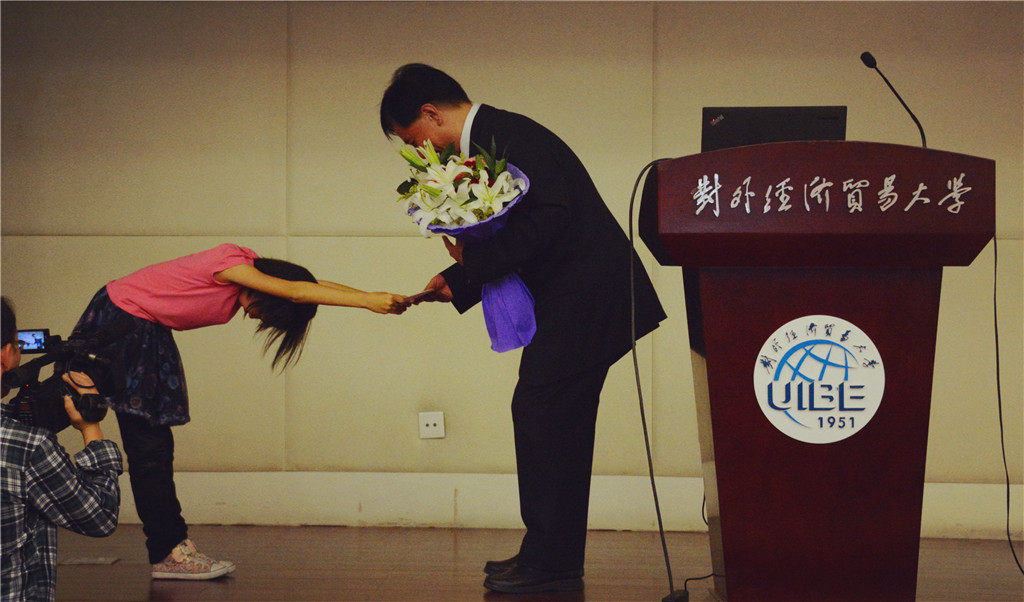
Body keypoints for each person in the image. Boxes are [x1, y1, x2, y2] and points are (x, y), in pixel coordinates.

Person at [380, 64, 666, 594]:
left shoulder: (506, 135)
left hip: (588, 301)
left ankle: (549, 560)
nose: (421, 153)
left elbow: (550, 218)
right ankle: (549, 556)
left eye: (414, 140)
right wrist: (458, 281)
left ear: (430, 113)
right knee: (550, 420)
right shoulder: (495, 136)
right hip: (580, 301)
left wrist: (472, 265)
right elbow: (523, 234)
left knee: (542, 414)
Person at [68, 243, 410, 580]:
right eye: (272, 314)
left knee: (149, 446)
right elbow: (296, 292)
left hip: (140, 325)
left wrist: (374, 297)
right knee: (147, 448)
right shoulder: (231, 263)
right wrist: (367, 301)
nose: (261, 319)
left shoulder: (247, 271)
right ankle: (168, 553)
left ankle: (169, 550)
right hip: (124, 321)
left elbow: (310, 287)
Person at [1, 296, 123, 601]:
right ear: (5, 356)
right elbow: (100, 516)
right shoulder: (28, 446)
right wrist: (91, 426)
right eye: (17, 345)